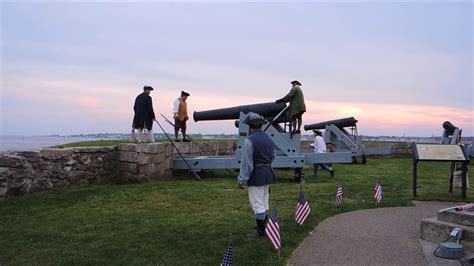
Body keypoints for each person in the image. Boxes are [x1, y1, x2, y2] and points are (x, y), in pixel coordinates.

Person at [237, 112, 277, 238]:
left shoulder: (250, 141)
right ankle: (263, 226)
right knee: (264, 201)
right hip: (268, 172)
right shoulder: (269, 139)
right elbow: (273, 156)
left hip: (257, 174)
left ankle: (261, 232)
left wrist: (242, 179)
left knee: (257, 202)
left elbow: (247, 163)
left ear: (249, 126)